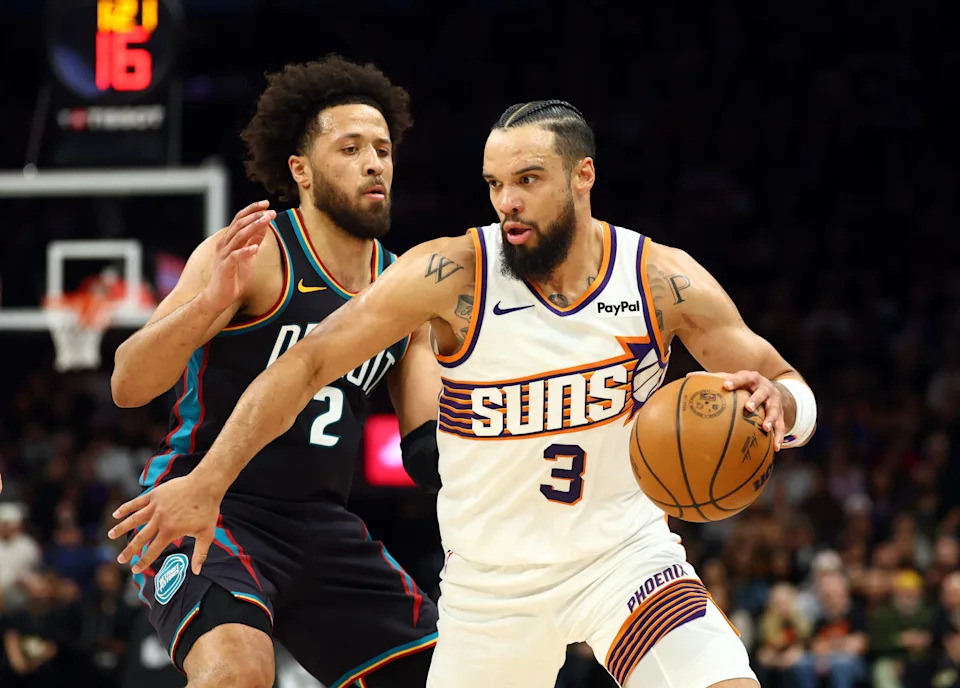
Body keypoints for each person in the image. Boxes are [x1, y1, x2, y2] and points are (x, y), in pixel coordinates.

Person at [111, 99, 818, 687]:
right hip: (491, 592)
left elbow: (784, 381)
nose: (508, 201)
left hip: (625, 561)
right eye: (494, 183)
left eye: (529, 179)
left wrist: (780, 408)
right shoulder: (449, 274)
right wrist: (207, 481)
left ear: (583, 176)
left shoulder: (660, 278)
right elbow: (303, 365)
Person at [107, 55, 440, 688]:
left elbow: (427, 450)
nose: (374, 163)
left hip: (321, 525)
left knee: (446, 676)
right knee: (237, 673)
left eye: (383, 149)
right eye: (350, 148)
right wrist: (207, 305)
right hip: (207, 503)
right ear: (301, 170)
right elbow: (128, 384)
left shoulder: (404, 294)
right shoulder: (259, 252)